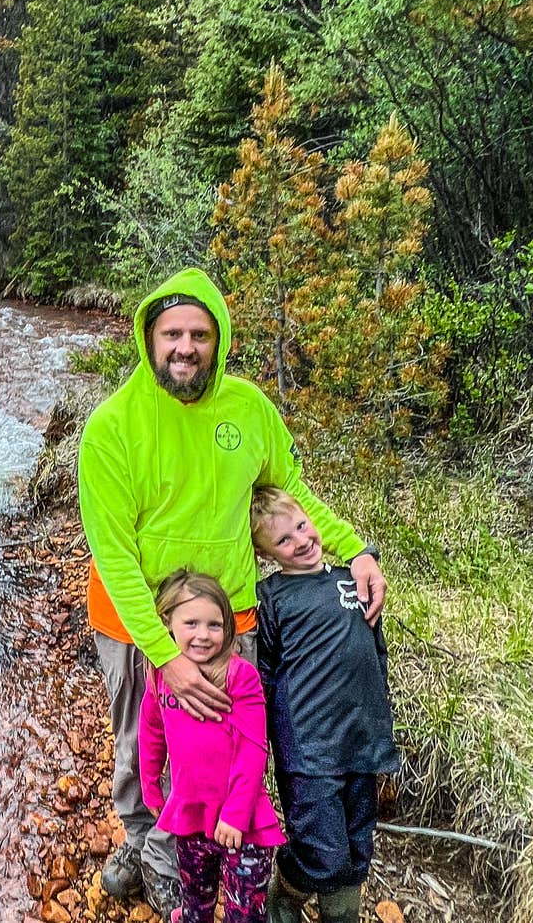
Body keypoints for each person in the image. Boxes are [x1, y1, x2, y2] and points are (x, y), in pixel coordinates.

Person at [77, 268, 384, 914]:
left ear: (218, 341)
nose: (184, 347)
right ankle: (149, 846)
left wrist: (352, 546)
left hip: (230, 618)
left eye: (198, 334)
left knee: (227, 742)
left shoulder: (249, 409)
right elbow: (115, 555)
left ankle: (217, 845)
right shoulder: (112, 427)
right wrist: (165, 655)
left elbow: (290, 492)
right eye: (170, 334)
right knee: (143, 740)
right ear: (147, 339)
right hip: (134, 625)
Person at [251, 486, 399, 923]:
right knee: (322, 845)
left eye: (301, 526)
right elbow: (263, 675)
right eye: (283, 540)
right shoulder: (271, 597)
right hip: (309, 751)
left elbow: (376, 654)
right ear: (265, 553)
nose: (300, 540)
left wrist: (382, 731)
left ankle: (341, 914)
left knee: (358, 840)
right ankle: (286, 893)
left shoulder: (349, 579)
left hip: (361, 739)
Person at [138, 570, 284, 923]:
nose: (203, 635)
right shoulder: (162, 675)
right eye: (191, 623)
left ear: (228, 628)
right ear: (167, 623)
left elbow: (253, 749)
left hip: (243, 825)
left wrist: (235, 814)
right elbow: (150, 731)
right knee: (195, 902)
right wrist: (151, 788)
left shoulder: (240, 676)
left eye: (214, 625)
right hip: (190, 817)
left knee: (245, 912)